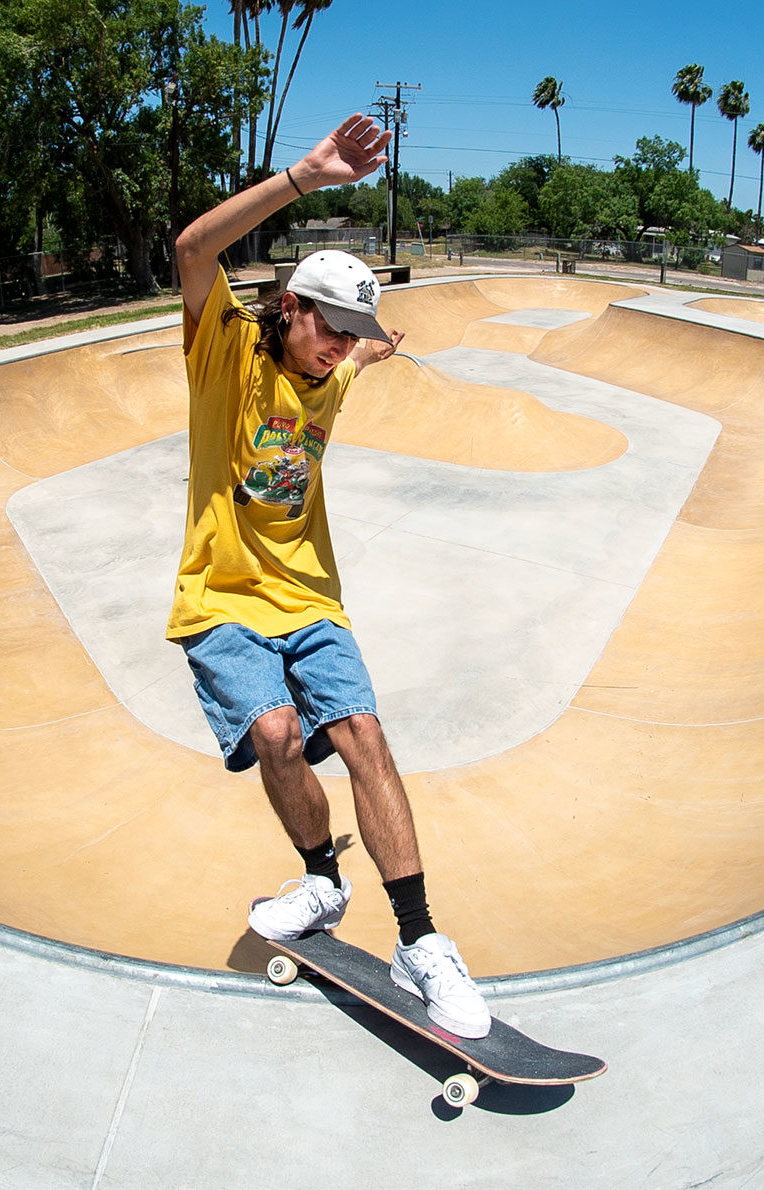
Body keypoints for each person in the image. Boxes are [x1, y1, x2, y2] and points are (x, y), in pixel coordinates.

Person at [167, 114, 490, 1039]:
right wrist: (307, 177)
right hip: (220, 596)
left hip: (310, 598)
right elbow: (192, 246)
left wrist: (382, 342)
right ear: (290, 307)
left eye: (351, 339)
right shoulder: (224, 352)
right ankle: (320, 880)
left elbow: (371, 351)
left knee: (363, 737)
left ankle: (421, 941)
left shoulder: (339, 370)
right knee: (274, 733)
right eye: (329, 331)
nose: (337, 350)